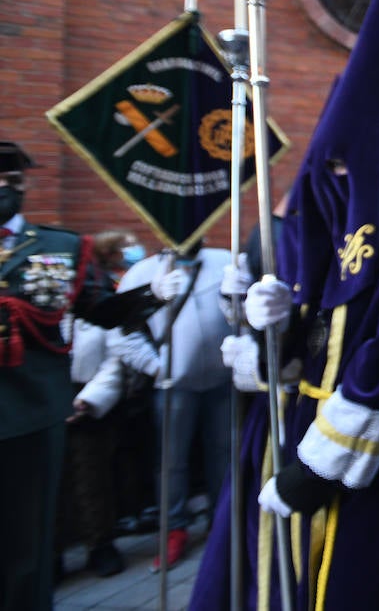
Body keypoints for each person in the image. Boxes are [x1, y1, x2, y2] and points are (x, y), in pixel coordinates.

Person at [188, 0, 379, 610]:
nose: (336, 179)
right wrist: (266, 329)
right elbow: (308, 342)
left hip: (370, 451)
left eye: (350, 167)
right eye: (327, 163)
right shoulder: (319, 235)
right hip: (294, 426)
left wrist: (316, 468)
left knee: (350, 587)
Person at [0, 141, 119, 610]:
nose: (4, 189)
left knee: (27, 542)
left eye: (11, 181)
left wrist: (152, 294)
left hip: (30, 410)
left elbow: (103, 310)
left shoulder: (61, 246)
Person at [114, 240, 234, 570]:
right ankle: (174, 528)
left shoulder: (225, 257)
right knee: (171, 460)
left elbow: (242, 313)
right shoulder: (143, 272)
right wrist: (156, 367)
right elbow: (122, 332)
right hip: (173, 385)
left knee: (224, 452)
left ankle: (221, 521)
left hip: (222, 378)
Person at [54, 230, 142, 578]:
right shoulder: (49, 305)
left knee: (93, 481)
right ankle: (52, 552)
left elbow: (114, 359)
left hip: (89, 403)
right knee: (51, 485)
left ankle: (100, 545)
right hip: (49, 401)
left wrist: (86, 401)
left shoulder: (101, 302)